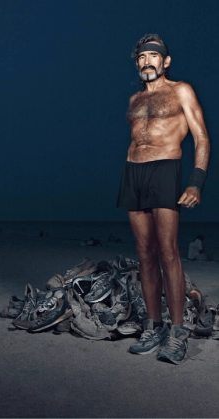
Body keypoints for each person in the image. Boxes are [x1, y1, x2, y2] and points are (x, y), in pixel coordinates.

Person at [117, 34, 210, 364]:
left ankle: (177, 331)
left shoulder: (181, 90)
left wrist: (196, 183)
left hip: (165, 168)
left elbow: (201, 138)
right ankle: (154, 327)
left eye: (153, 56)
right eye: (142, 57)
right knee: (144, 254)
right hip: (133, 172)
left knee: (169, 251)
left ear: (165, 61)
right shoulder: (134, 99)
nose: (147, 61)